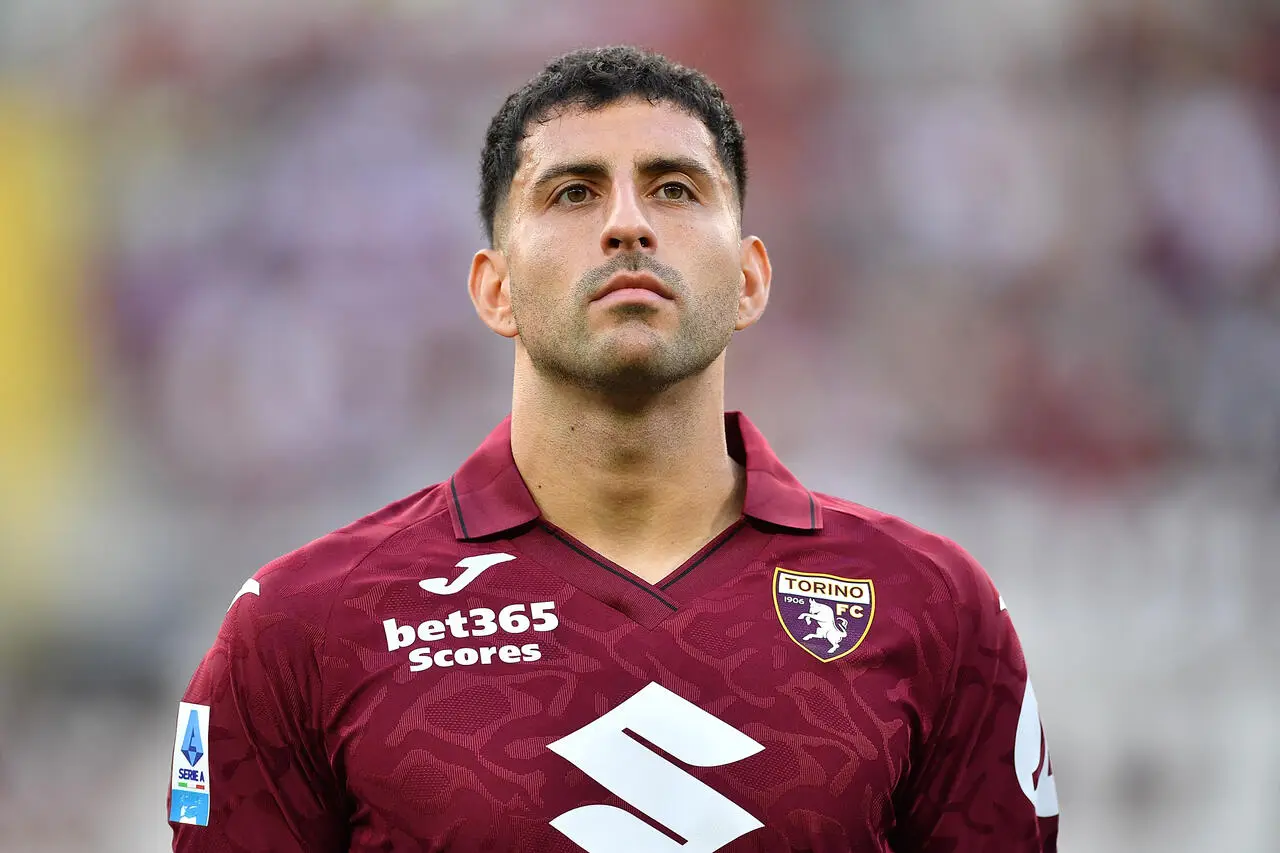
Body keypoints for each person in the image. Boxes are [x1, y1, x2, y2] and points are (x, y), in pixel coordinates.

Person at [168, 45, 1059, 852]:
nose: (627, 224)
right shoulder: (304, 627)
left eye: (675, 188)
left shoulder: (935, 609)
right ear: (495, 287)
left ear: (749, 278)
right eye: (573, 192)